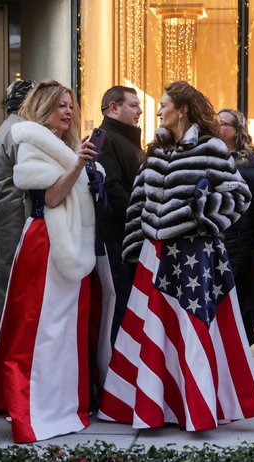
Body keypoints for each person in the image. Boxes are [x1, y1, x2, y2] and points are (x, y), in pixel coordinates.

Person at [99, 81, 254, 431]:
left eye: (163, 105)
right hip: (152, 256)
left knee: (188, 333)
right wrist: (133, 248)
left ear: (183, 109)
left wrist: (203, 214)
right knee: (153, 335)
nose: (158, 111)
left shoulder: (211, 148)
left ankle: (194, 408)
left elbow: (239, 195)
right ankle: (154, 406)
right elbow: (138, 202)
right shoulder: (155, 150)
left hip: (194, 255)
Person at [0, 80, 101, 443]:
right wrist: (78, 166)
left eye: (71, 104)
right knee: (37, 327)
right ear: (43, 106)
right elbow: (53, 196)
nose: (68, 111)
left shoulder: (66, 144)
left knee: (64, 330)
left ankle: (60, 401)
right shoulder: (31, 142)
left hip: (69, 243)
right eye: (61, 104)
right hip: (44, 243)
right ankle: (29, 406)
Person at [0, 79, 35, 353]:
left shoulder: (10, 126)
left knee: (1, 276)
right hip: (11, 212)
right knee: (7, 275)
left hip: (3, 209)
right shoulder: (20, 130)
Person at [217, 108, 254, 345]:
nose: (218, 127)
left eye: (224, 124)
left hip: (242, 243)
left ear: (236, 130)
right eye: (216, 123)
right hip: (217, 239)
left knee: (239, 305)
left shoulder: (250, 161)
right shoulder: (210, 154)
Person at [97, 85, 143, 345]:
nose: (140, 111)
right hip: (118, 237)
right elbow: (112, 188)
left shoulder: (126, 138)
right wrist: (138, 218)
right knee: (121, 303)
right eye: (133, 105)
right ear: (113, 108)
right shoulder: (103, 137)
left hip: (131, 236)